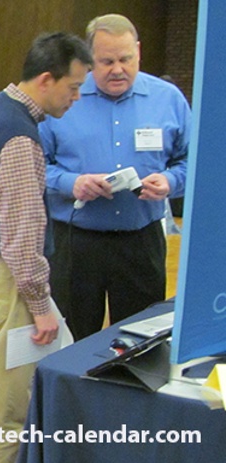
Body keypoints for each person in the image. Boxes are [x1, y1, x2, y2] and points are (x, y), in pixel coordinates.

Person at [0, 32, 92, 463]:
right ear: (47, 79)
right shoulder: (18, 135)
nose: (76, 98)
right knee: (6, 416)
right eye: (73, 88)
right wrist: (40, 303)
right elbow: (21, 233)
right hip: (5, 281)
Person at [41, 14, 191, 341]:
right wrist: (72, 183)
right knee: (71, 339)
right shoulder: (63, 98)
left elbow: (189, 161)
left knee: (141, 339)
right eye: (106, 61)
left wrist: (170, 182)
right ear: (87, 59)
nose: (117, 69)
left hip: (141, 240)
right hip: (75, 242)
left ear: (138, 52)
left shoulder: (169, 99)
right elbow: (37, 165)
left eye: (126, 59)